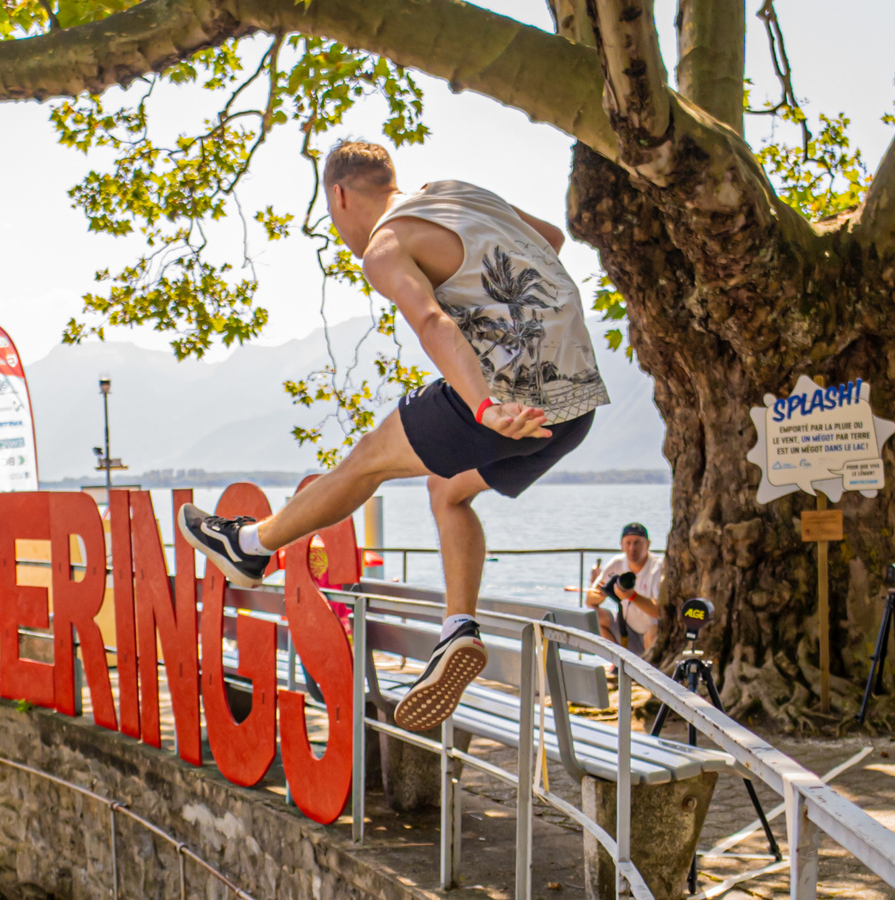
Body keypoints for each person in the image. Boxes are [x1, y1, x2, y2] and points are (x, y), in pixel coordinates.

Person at [178, 141, 608, 734]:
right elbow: (551, 240)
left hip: (504, 401)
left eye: (333, 218)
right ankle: (458, 629)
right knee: (447, 491)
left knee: (365, 462)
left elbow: (432, 321)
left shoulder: (385, 246)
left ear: (340, 195)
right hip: (577, 404)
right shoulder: (457, 191)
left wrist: (483, 405)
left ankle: (250, 546)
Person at [585, 523, 663, 655]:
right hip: (625, 630)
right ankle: (615, 660)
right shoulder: (617, 563)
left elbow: (659, 611)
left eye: (637, 543)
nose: (632, 548)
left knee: (653, 632)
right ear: (622, 545)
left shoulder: (658, 567)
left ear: (648, 544)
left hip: (650, 636)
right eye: (628, 543)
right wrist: (605, 592)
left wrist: (632, 596)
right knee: (594, 615)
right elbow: (589, 601)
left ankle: (650, 666)